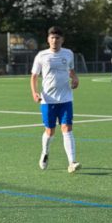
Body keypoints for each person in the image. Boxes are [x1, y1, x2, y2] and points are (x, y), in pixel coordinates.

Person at [30, 26, 80, 174]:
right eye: (52, 38)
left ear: (62, 40)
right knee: (50, 131)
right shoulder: (41, 55)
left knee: (67, 129)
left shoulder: (68, 53)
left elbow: (70, 70)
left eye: (57, 38)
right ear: (48, 39)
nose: (54, 40)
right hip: (48, 100)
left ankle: (72, 162)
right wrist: (34, 93)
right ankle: (45, 153)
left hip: (66, 99)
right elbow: (34, 76)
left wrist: (75, 78)